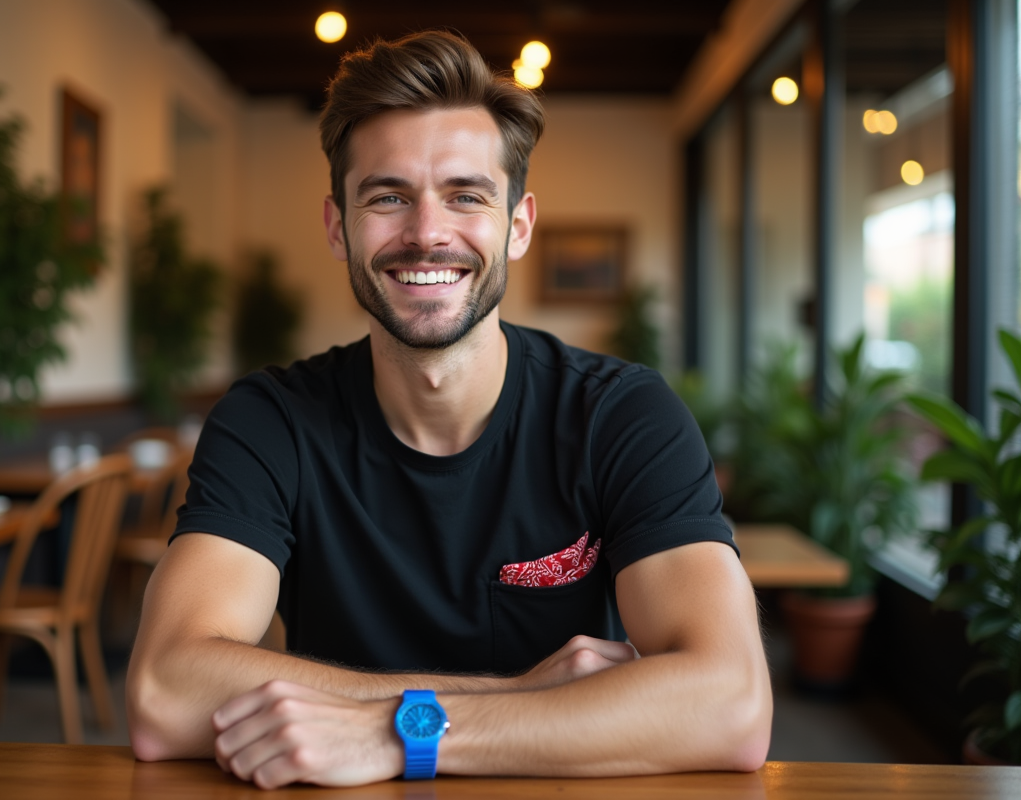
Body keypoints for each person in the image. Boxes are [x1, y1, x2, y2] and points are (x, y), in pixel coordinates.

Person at [126, 30, 771, 789]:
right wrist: (518, 697)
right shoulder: (271, 420)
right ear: (339, 227)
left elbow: (731, 706)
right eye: (388, 197)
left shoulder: (623, 415)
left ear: (517, 225)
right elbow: (164, 692)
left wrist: (394, 734)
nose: (427, 232)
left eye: (466, 196)